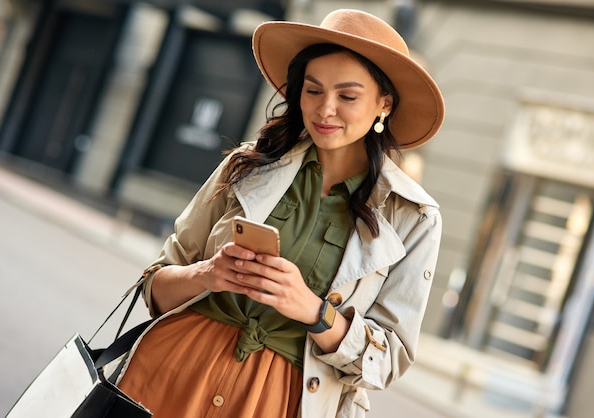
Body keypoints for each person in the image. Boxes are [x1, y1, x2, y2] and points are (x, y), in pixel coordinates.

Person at [116, 8, 445, 418]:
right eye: (312, 90)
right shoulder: (247, 166)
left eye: (347, 96)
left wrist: (313, 310)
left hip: (279, 402)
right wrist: (208, 274)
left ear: (384, 104)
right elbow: (153, 287)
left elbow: (388, 360)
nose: (325, 109)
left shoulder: (414, 217)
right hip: (167, 374)